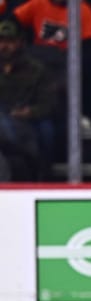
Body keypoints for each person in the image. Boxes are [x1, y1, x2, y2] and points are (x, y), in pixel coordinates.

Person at [0, 17, 56, 181]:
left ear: (20, 42)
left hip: (27, 119)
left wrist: (30, 112)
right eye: (1, 41)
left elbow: (49, 103)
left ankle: (42, 173)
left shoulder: (37, 70)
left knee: (47, 130)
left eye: (10, 41)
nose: (4, 46)